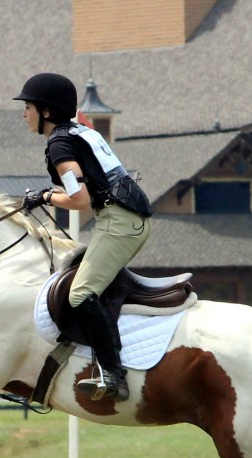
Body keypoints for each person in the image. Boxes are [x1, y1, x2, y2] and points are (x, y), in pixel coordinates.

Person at [14, 72, 153, 402]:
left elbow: (79, 200)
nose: (24, 114)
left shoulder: (60, 143)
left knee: (79, 294)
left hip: (119, 222)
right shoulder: (79, 131)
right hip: (125, 218)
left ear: (46, 112)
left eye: (28, 107)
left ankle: (114, 375)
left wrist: (45, 197)